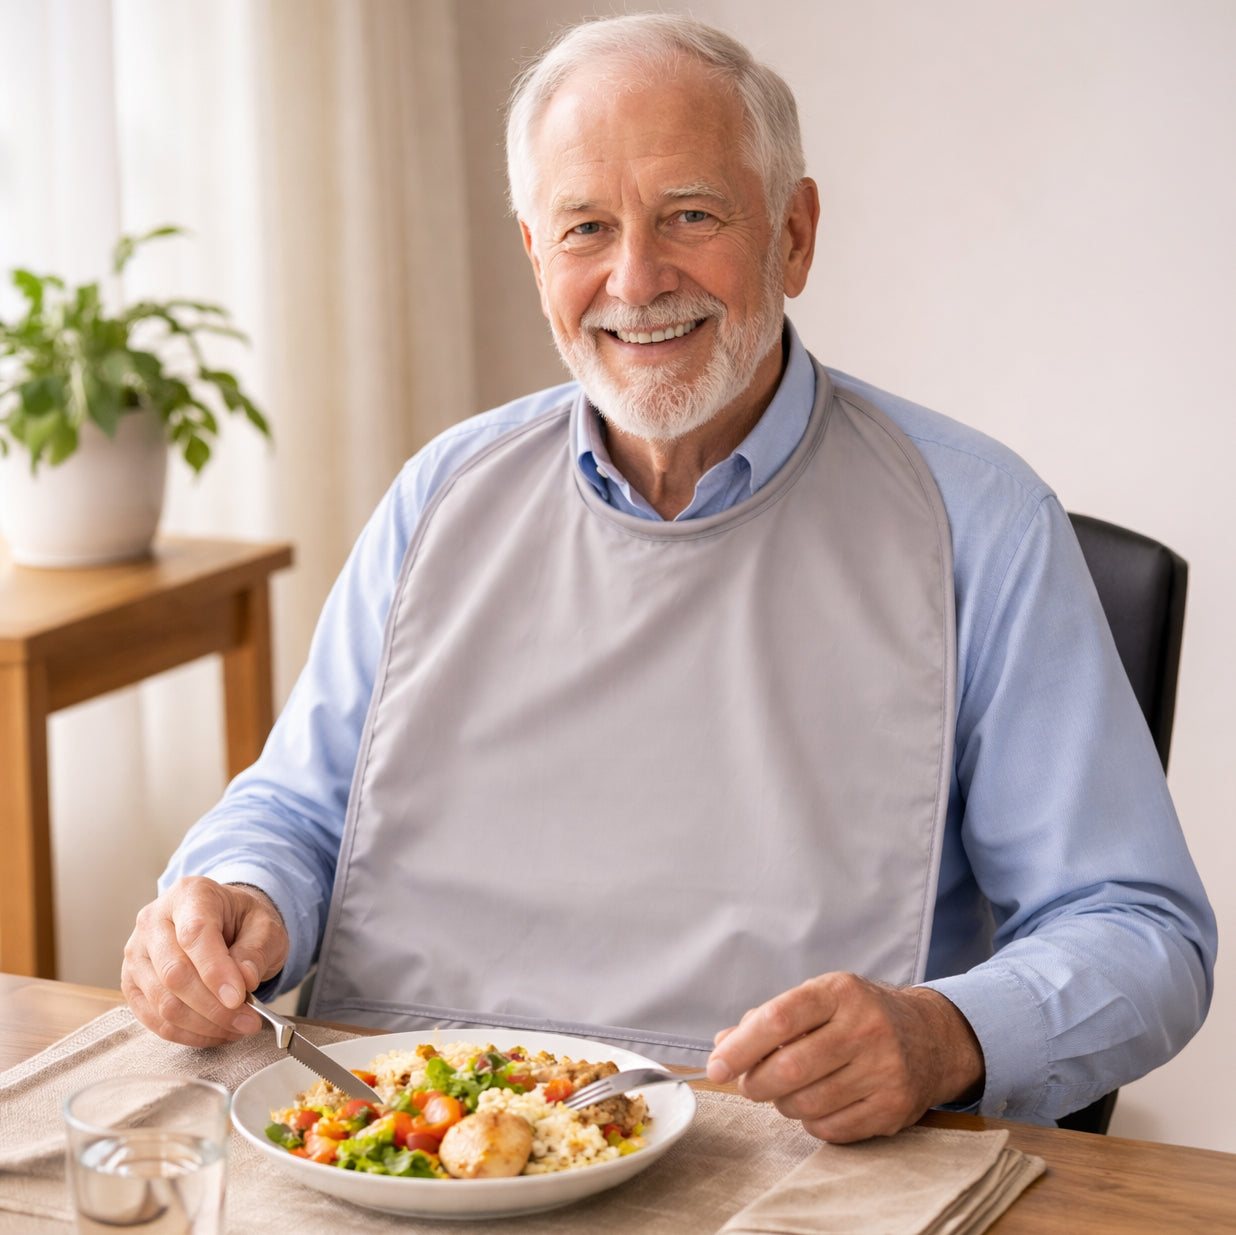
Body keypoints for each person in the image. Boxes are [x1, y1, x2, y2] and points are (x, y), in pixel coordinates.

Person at [122, 14, 1215, 1144]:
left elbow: (1140, 930)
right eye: (586, 226)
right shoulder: (439, 494)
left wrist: (944, 1033)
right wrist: (235, 896)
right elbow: (299, 808)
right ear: (536, 253)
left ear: (793, 235)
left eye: (691, 215)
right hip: (392, 1133)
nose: (635, 279)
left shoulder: (982, 521)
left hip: (778, 1155)